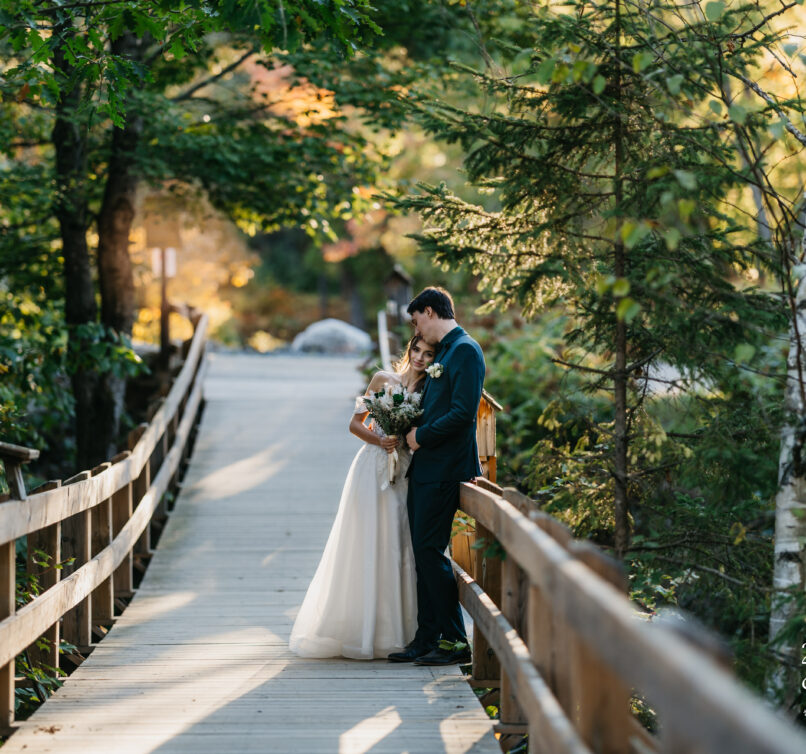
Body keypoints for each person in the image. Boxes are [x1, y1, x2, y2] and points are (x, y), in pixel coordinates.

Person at [288, 335, 436, 659]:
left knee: (397, 541)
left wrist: (405, 442)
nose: (421, 358)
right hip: (372, 467)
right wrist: (379, 440)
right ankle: (358, 628)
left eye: (428, 354)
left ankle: (398, 632)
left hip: (404, 470)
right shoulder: (383, 379)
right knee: (365, 539)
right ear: (409, 350)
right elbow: (355, 424)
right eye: (417, 351)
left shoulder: (429, 392)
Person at [388, 287, 485, 666]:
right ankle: (427, 636)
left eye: (416, 321)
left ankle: (456, 642)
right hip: (427, 467)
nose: (417, 329)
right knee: (422, 553)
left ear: (429, 311)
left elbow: (463, 413)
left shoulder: (465, 350)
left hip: (445, 468)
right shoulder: (444, 352)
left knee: (430, 552)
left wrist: (420, 436)